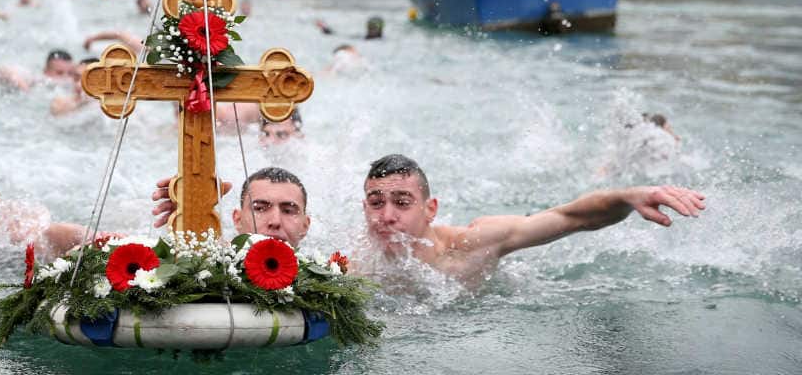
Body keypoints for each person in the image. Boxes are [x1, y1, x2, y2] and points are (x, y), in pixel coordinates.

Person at [359, 154, 705, 284]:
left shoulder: (474, 244)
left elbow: (570, 217)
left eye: (402, 202)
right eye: (376, 203)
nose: (387, 216)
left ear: (430, 209)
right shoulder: (353, 263)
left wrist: (629, 196)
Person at [150, 166, 310, 248]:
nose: (275, 221)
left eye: (288, 211)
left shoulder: (327, 277)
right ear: (237, 219)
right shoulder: (214, 264)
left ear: (305, 225)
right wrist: (191, 219)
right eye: (260, 208)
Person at [0, 49, 77, 91]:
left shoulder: (73, 84)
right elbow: (1, 69)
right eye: (59, 73)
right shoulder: (37, 79)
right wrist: (24, 87)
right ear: (45, 71)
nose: (65, 77)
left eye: (70, 73)